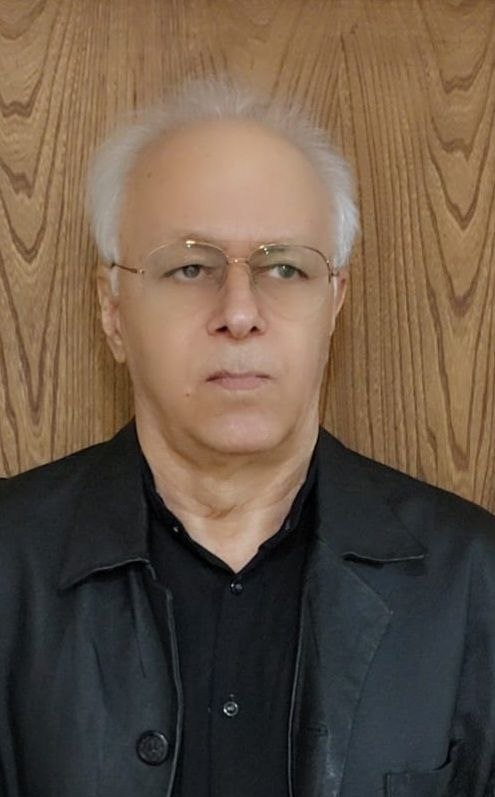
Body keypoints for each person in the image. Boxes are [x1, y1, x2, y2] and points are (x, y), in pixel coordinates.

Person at [0, 76, 494, 797]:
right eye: (190, 266)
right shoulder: (10, 561)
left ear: (334, 302)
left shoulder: (473, 580)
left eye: (284, 267)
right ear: (112, 310)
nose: (239, 312)